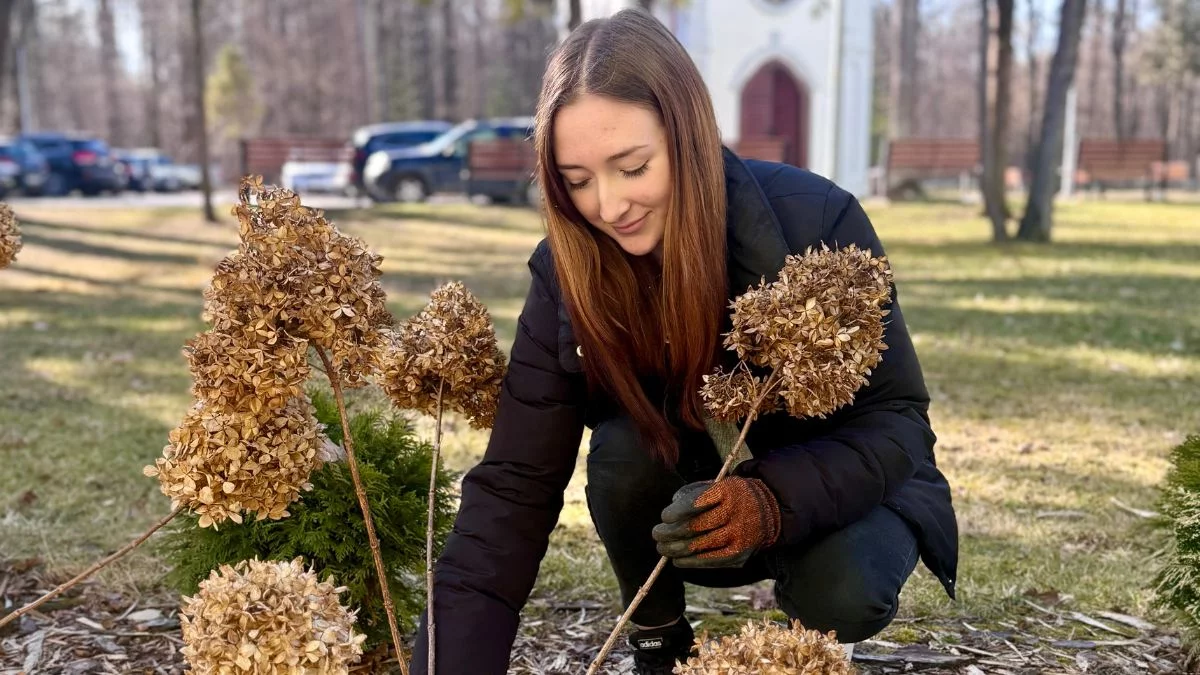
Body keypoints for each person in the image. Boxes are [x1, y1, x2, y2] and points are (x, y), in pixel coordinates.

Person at [409, 8, 957, 675]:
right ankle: (657, 634)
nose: (608, 206)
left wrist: (773, 502)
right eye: (577, 181)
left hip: (834, 496)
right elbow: (513, 489)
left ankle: (808, 649)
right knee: (620, 454)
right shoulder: (568, 272)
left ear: (688, 134)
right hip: (686, 516)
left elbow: (898, 425)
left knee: (844, 585)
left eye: (632, 166)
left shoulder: (817, 222)